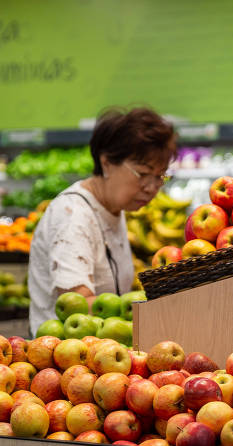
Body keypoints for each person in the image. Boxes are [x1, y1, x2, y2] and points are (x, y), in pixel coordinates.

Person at [28, 106, 177, 335]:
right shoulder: (73, 216)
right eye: (142, 174)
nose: (151, 188)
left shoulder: (114, 210)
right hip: (64, 359)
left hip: (102, 354)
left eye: (159, 176)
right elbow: (78, 308)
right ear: (106, 162)